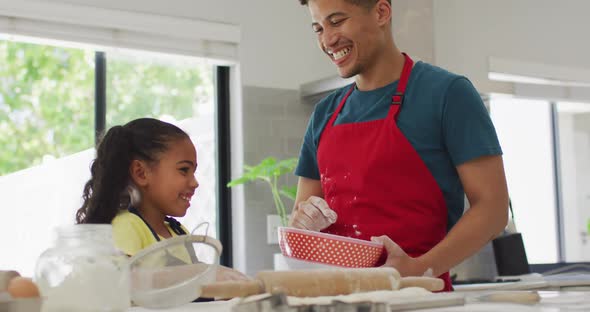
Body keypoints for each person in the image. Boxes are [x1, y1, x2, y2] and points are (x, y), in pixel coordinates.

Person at [290, 0, 509, 291]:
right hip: (338, 299)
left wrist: (420, 268)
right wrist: (304, 222)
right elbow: (301, 219)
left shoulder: (447, 94)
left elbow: (493, 209)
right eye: (318, 28)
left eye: (337, 21)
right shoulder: (325, 114)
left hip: (419, 298)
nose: (327, 40)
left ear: (381, 12)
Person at [76, 118, 247, 282]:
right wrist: (201, 274)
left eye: (193, 172)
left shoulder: (178, 232)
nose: (195, 183)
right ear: (141, 173)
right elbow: (123, 281)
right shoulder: (127, 227)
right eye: (184, 170)